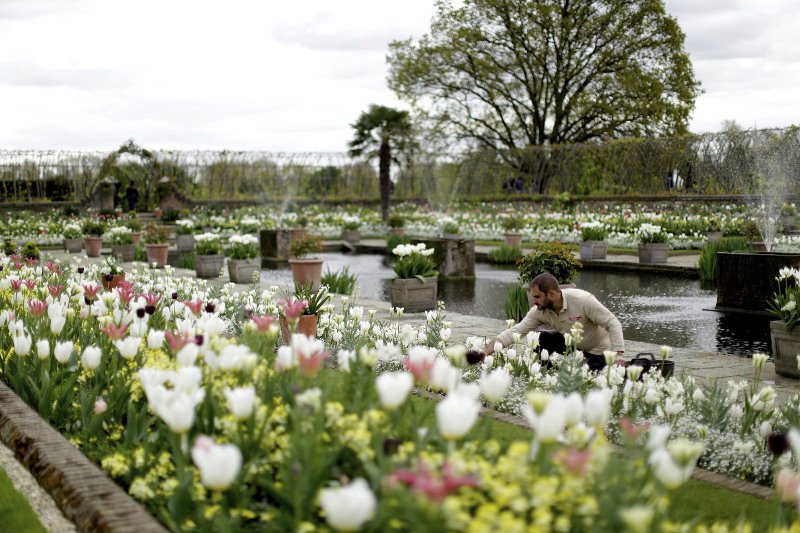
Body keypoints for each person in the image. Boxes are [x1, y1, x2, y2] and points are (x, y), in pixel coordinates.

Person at [482, 272, 625, 370]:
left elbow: (612, 323)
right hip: (573, 347)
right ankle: (545, 374)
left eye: (537, 297)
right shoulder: (539, 311)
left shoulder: (583, 301)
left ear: (551, 294)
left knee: (588, 378)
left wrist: (618, 354)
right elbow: (516, 332)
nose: (533, 301)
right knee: (543, 338)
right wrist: (485, 351)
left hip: (597, 350)